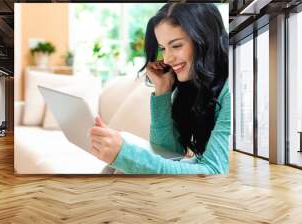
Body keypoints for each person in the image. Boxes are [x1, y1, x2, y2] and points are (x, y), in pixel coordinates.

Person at [89, 3, 231, 174]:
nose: (167, 59)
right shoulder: (188, 86)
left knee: (123, 165)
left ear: (205, 40)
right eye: (163, 48)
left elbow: (214, 171)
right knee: (114, 168)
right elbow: (167, 152)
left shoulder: (230, 89)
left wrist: (125, 155)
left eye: (176, 45)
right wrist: (163, 89)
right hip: (199, 174)